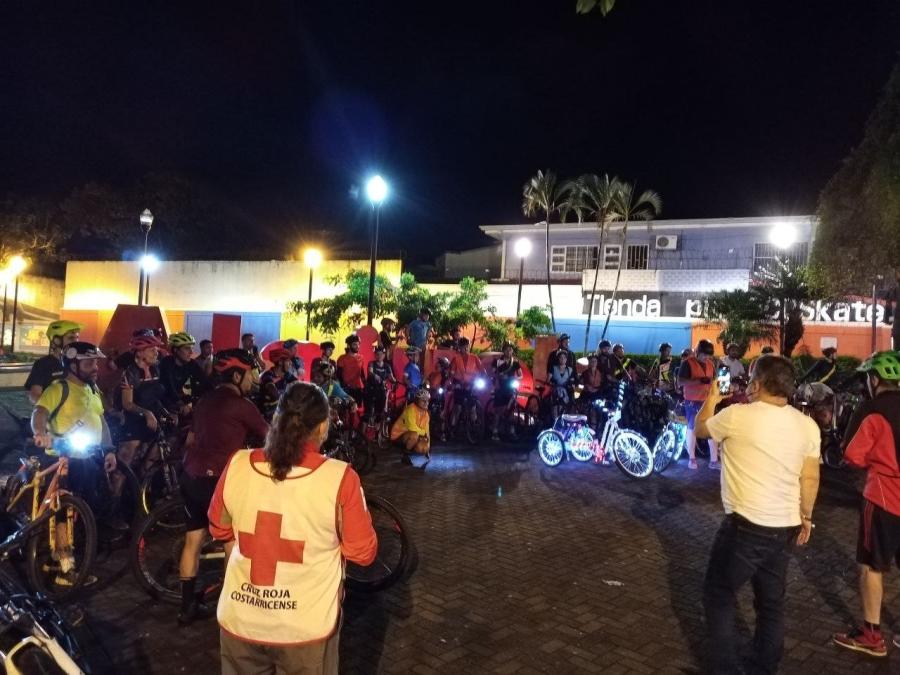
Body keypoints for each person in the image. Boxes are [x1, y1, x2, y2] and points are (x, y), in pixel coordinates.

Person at [208, 382, 377, 672]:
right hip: (306, 628)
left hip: (241, 619)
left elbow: (220, 530)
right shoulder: (340, 479)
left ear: (277, 419)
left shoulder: (237, 464)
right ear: (322, 426)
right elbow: (363, 552)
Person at [703, 354, 820, 675]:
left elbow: (699, 429)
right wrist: (806, 517)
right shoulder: (806, 425)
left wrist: (711, 399)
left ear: (757, 383)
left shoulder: (737, 416)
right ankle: (763, 668)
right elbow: (810, 478)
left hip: (745, 526)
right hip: (785, 526)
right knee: (771, 604)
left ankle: (725, 669)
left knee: (719, 594)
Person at [178, 349, 269, 625]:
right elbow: (269, 436)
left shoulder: (205, 400)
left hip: (190, 475)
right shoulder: (241, 405)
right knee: (231, 540)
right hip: (217, 479)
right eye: (250, 374)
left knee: (193, 540)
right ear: (237, 376)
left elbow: (191, 439)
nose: (253, 380)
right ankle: (230, 606)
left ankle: (186, 608)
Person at [31, 341, 118, 583]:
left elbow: (101, 421)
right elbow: (39, 412)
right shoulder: (59, 388)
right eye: (89, 363)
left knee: (82, 512)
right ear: (72, 365)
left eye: (96, 363)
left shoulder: (92, 390)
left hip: (87, 459)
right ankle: (64, 568)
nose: (95, 368)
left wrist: (109, 450)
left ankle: (62, 555)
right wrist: (40, 433)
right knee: (62, 511)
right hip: (62, 458)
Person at [832, 351, 900, 657]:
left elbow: (852, 454)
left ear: (874, 379)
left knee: (872, 567)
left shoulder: (871, 409)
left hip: (884, 497)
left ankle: (872, 635)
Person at [116, 334, 167, 480]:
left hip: (152, 419)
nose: (156, 352)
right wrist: (146, 413)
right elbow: (127, 404)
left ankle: (144, 488)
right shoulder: (130, 373)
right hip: (133, 420)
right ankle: (115, 492)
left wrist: (166, 412)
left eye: (156, 349)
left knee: (154, 456)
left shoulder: (156, 369)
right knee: (126, 460)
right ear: (139, 353)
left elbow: (155, 398)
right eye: (152, 350)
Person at [679, 339, 720, 470]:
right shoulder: (687, 363)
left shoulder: (710, 364)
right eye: (704, 354)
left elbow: (714, 381)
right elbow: (680, 382)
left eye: (709, 355)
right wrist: (699, 381)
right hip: (692, 401)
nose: (706, 357)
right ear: (697, 352)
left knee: (711, 429)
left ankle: (714, 461)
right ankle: (692, 459)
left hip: (707, 401)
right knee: (692, 428)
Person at [25, 320, 83, 404]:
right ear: (56, 341)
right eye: (71, 338)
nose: (76, 341)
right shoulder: (43, 364)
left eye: (77, 337)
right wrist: (53, 408)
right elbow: (34, 396)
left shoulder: (79, 362)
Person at [159, 332, 208, 418]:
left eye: (191, 348)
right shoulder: (166, 363)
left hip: (179, 397)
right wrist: (181, 404)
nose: (191, 352)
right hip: (163, 400)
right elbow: (169, 386)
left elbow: (204, 381)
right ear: (175, 350)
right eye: (187, 348)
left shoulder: (191, 364)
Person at [449, 337, 486, 428]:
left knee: (473, 407)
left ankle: (474, 427)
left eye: (467, 346)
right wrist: (454, 381)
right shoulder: (456, 359)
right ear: (460, 347)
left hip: (471, 385)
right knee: (458, 407)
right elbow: (452, 373)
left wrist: (484, 377)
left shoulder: (474, 357)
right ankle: (452, 427)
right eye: (464, 347)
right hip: (459, 384)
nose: (466, 348)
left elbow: (482, 370)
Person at [490, 342, 523, 440]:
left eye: (510, 350)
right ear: (503, 351)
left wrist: (515, 378)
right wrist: (499, 375)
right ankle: (495, 431)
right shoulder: (497, 361)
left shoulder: (515, 362)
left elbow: (521, 375)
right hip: (500, 387)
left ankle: (511, 431)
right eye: (507, 350)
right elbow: (492, 373)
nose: (509, 352)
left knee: (511, 410)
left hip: (510, 387)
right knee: (498, 410)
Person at [391, 387, 432, 465]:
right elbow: (412, 428)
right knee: (414, 435)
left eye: (427, 401)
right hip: (398, 436)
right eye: (423, 401)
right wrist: (423, 434)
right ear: (417, 400)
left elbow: (427, 431)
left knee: (423, 448)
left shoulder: (426, 414)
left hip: (412, 434)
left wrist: (427, 449)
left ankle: (410, 448)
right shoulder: (411, 409)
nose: (426, 403)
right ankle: (405, 456)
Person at [257, 348, 296, 422]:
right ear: (280, 362)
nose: (291, 363)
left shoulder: (287, 375)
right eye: (288, 361)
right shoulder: (267, 375)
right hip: (266, 418)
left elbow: (299, 384)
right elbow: (272, 390)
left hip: (280, 416)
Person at [365, 345, 396, 422]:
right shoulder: (371, 363)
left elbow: (391, 378)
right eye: (377, 354)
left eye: (381, 354)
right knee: (368, 413)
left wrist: (396, 382)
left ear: (384, 355)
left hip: (381, 391)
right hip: (371, 390)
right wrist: (375, 376)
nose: (379, 356)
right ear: (375, 355)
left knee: (380, 413)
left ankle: (377, 427)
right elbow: (370, 372)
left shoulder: (387, 366)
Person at [336, 335, 365, 405]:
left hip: (358, 388)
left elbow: (362, 373)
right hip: (346, 389)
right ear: (349, 345)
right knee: (346, 408)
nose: (357, 346)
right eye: (355, 344)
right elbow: (338, 375)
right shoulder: (342, 358)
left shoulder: (361, 357)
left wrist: (365, 386)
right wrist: (343, 387)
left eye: (358, 344)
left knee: (357, 408)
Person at [549, 350, 575, 419]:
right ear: (558, 358)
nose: (562, 359)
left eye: (564, 358)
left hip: (566, 391)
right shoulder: (553, 368)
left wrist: (572, 387)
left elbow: (572, 381)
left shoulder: (570, 370)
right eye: (561, 357)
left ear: (566, 359)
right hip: (555, 391)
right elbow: (548, 379)